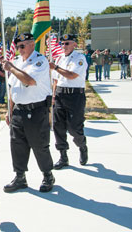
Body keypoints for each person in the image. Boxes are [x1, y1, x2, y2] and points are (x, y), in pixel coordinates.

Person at [1, 32, 55, 194]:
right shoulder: (17, 61)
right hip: (19, 110)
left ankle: (47, 175)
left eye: (22, 46)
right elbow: (12, 88)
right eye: (17, 47)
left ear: (32, 44)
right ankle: (20, 177)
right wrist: (9, 111)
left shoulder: (40, 60)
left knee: (39, 145)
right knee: (17, 145)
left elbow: (29, 80)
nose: (19, 49)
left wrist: (11, 68)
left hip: (36, 109)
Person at [49, 34, 88, 169]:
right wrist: (53, 96)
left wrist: (56, 68)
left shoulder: (79, 58)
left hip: (75, 96)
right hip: (60, 94)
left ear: (74, 45)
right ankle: (63, 156)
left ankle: (82, 146)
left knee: (74, 128)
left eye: (67, 43)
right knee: (57, 127)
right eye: (62, 43)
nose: (63, 46)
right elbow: (56, 80)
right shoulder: (59, 58)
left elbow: (72, 75)